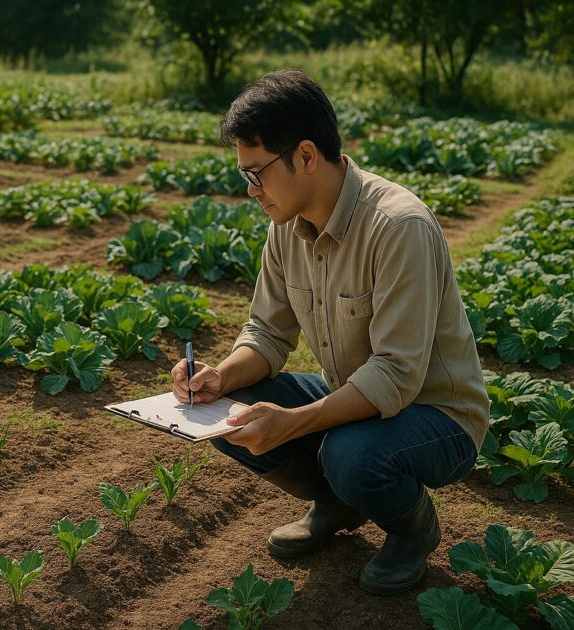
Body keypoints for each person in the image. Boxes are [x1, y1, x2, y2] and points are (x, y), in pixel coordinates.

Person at [170, 69, 488, 595]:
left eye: (256, 174)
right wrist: (217, 379)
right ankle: (339, 503)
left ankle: (412, 529)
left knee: (351, 454)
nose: (250, 191)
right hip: (354, 399)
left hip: (437, 415)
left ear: (306, 156)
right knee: (228, 411)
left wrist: (293, 421)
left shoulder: (397, 226)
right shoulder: (285, 228)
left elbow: (395, 375)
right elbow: (266, 335)